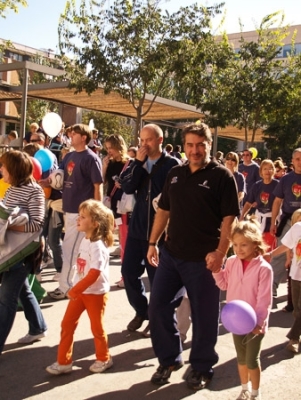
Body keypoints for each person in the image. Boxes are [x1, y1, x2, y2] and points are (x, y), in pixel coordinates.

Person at [146, 123, 239, 390]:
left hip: (203, 259)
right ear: (183, 146)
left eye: (200, 145)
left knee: (204, 316)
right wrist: (153, 242)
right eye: (189, 145)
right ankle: (169, 359)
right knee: (158, 307)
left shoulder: (222, 176)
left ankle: (201, 366)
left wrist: (221, 251)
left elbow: (229, 218)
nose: (194, 150)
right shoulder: (175, 173)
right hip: (171, 254)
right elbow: (164, 210)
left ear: (210, 145)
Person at [121, 123, 179, 332]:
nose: (144, 144)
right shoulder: (137, 162)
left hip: (160, 232)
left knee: (158, 282)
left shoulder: (172, 164)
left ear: (160, 140)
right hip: (138, 228)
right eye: (142, 140)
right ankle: (142, 311)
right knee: (128, 273)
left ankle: (157, 319)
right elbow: (126, 186)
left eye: (149, 140)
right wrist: (137, 163)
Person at [46, 199, 114, 375]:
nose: (78, 219)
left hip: (95, 294)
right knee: (67, 325)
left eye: (83, 217)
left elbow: (94, 273)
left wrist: (75, 289)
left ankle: (104, 358)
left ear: (95, 223)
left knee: (97, 328)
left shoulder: (98, 246)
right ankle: (64, 361)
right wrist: (75, 287)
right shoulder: (85, 239)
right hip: (80, 293)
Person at [211, 217, 273, 400]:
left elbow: (264, 300)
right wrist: (216, 270)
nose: (239, 249)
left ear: (255, 243)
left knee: (252, 360)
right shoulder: (231, 261)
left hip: (255, 324)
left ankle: (255, 393)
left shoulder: (264, 268)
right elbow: (223, 284)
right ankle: (244, 389)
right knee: (241, 357)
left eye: (244, 245)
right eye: (235, 245)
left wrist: (259, 322)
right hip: (235, 321)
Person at [47, 124, 103, 300]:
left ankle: (66, 287)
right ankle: (75, 285)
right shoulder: (69, 155)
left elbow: (97, 185)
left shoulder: (91, 158)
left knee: (69, 249)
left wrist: (95, 212)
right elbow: (60, 176)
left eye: (74, 133)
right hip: (68, 209)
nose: (70, 135)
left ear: (84, 137)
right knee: (74, 249)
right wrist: (47, 182)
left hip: (82, 212)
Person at [0, 150, 47, 352]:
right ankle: (38, 327)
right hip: (9, 251)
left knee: (6, 299)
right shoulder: (11, 189)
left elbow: (36, 224)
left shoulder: (35, 191)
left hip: (23, 253)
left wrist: (5, 225)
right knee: (23, 290)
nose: (1, 170)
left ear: (15, 169)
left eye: (4, 166)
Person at [267, 208, 301, 354]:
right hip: (296, 275)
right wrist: (271, 254)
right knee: (297, 310)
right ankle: (297, 336)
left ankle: (293, 339)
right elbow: (286, 245)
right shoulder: (298, 227)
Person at [270, 148, 301, 298]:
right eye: (297, 159)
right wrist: (273, 222)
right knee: (280, 253)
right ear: (292, 161)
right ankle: (272, 286)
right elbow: (277, 201)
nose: (300, 162)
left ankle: (293, 295)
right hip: (287, 220)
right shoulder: (286, 179)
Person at [102, 134, 131, 287]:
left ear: (118, 147)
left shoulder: (129, 164)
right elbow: (102, 183)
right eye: (107, 148)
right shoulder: (110, 163)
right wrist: (105, 166)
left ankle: (125, 277)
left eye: (111, 148)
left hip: (123, 209)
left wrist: (123, 185)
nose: (109, 151)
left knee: (124, 244)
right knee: (107, 241)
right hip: (111, 208)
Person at [240, 159, 279, 251]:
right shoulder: (257, 185)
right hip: (258, 220)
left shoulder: (277, 185)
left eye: (270, 168)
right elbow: (248, 202)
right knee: (257, 247)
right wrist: (242, 215)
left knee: (269, 248)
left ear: (273, 171)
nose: (268, 171)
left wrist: (274, 222)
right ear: (261, 171)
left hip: (272, 220)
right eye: (265, 169)